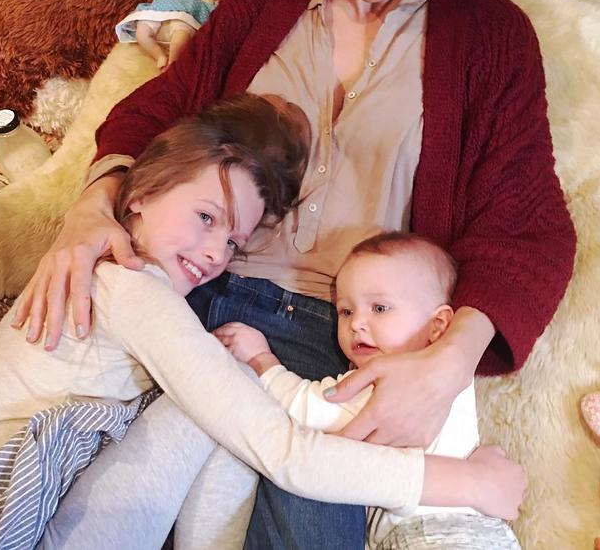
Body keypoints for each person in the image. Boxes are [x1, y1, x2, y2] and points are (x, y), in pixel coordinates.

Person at [13, 0, 576, 546]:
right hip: (187, 281)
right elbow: (159, 110)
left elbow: (527, 230)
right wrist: (94, 203)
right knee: (62, 483)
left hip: (330, 338)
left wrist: (446, 363)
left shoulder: (491, 34)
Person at [0, 96, 523, 549]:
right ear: (138, 193)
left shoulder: (119, 277)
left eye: (232, 240)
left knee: (222, 404)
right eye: (205, 217)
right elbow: (286, 453)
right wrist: (466, 483)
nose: (214, 254)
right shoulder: (129, 288)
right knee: (230, 400)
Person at [215, 231, 520, 549]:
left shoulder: (387, 381)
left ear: (438, 325)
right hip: (485, 530)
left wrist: (262, 361)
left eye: (380, 308)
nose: (357, 323)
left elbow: (306, 409)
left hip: (425, 535)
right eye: (346, 311)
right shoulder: (457, 376)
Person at [115, 0, 221, 70]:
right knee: (141, 32)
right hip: (158, 14)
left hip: (183, 19)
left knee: (180, 38)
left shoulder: (207, 4)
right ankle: (159, 55)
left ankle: (172, 62)